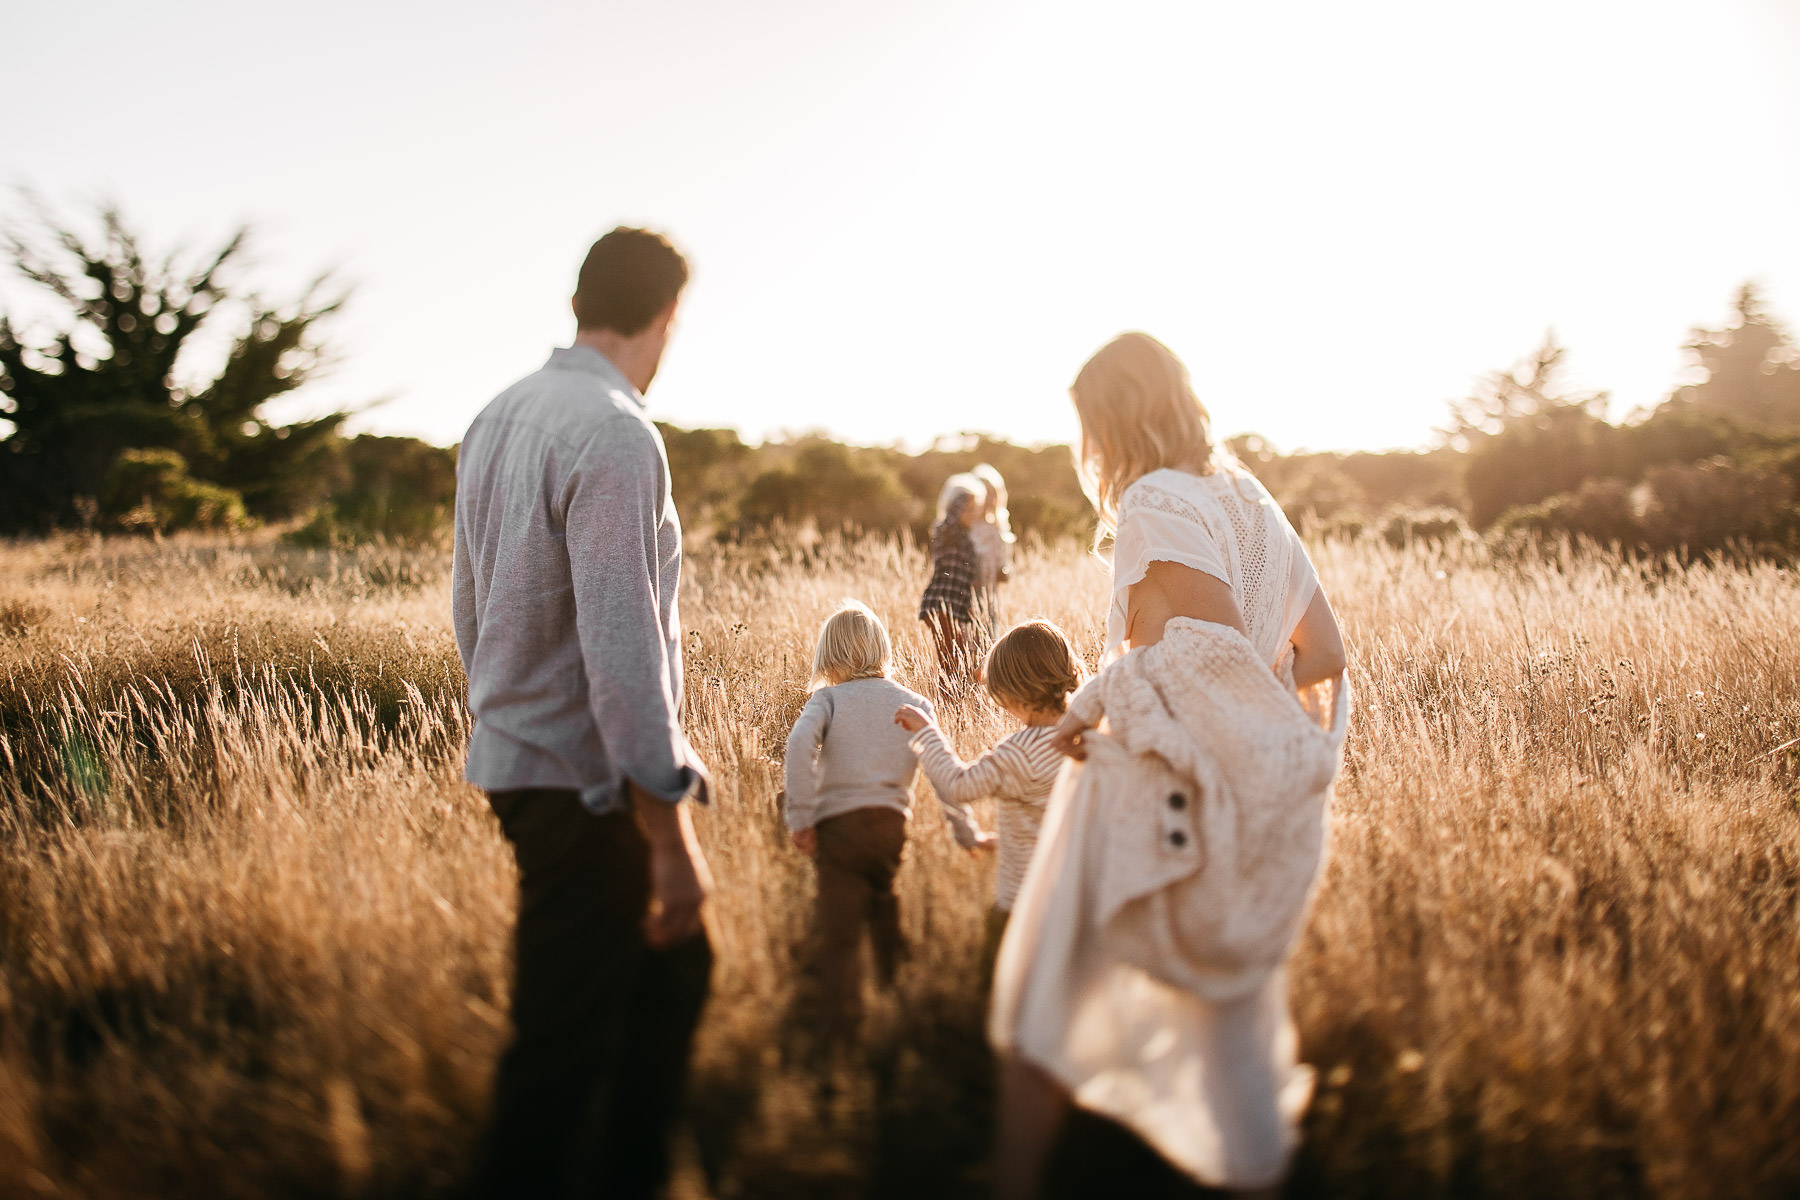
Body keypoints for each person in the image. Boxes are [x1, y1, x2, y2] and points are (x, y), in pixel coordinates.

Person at [989, 332, 1350, 1200]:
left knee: (1050, 985)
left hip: (1148, 780)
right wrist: (1261, 715)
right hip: (1237, 791)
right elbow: (1326, 650)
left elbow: (1200, 654)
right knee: (1228, 1015)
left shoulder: (1154, 499)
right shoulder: (1252, 498)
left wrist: (1094, 698)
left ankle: (1014, 1178)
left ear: (1114, 423)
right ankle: (1246, 1173)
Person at [453, 227, 713, 1200]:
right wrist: (668, 828)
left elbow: (469, 609)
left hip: (519, 762)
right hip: (583, 785)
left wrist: (503, 708)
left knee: (664, 987)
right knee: (559, 1055)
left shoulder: (497, 414)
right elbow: (623, 648)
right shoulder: (614, 432)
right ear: (668, 314)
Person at [893, 618, 1082, 977]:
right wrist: (1008, 839)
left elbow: (958, 785)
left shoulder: (1018, 753)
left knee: (1003, 997)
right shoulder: (1084, 736)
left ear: (1014, 691)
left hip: (1023, 904)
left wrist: (928, 733)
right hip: (1073, 900)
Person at [783, 600, 935, 1041]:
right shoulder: (914, 701)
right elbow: (936, 760)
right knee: (882, 892)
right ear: (881, 650)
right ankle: (898, 994)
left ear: (829, 658)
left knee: (840, 929)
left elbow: (797, 746)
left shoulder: (827, 699)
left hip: (839, 827)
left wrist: (801, 816)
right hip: (890, 825)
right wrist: (964, 827)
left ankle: (839, 1029)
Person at [918, 475, 984, 698]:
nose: (974, 513)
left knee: (960, 660)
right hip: (940, 606)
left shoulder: (965, 536)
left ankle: (952, 706)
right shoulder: (946, 530)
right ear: (956, 508)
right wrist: (959, 503)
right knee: (952, 663)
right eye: (969, 509)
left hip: (954, 608)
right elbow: (948, 523)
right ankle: (946, 707)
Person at [969, 463, 1016, 636]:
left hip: (990, 598)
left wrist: (1003, 571)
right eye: (985, 493)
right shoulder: (967, 526)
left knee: (988, 639)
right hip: (965, 595)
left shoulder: (998, 526)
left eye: (993, 494)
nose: (989, 499)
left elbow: (1006, 565)